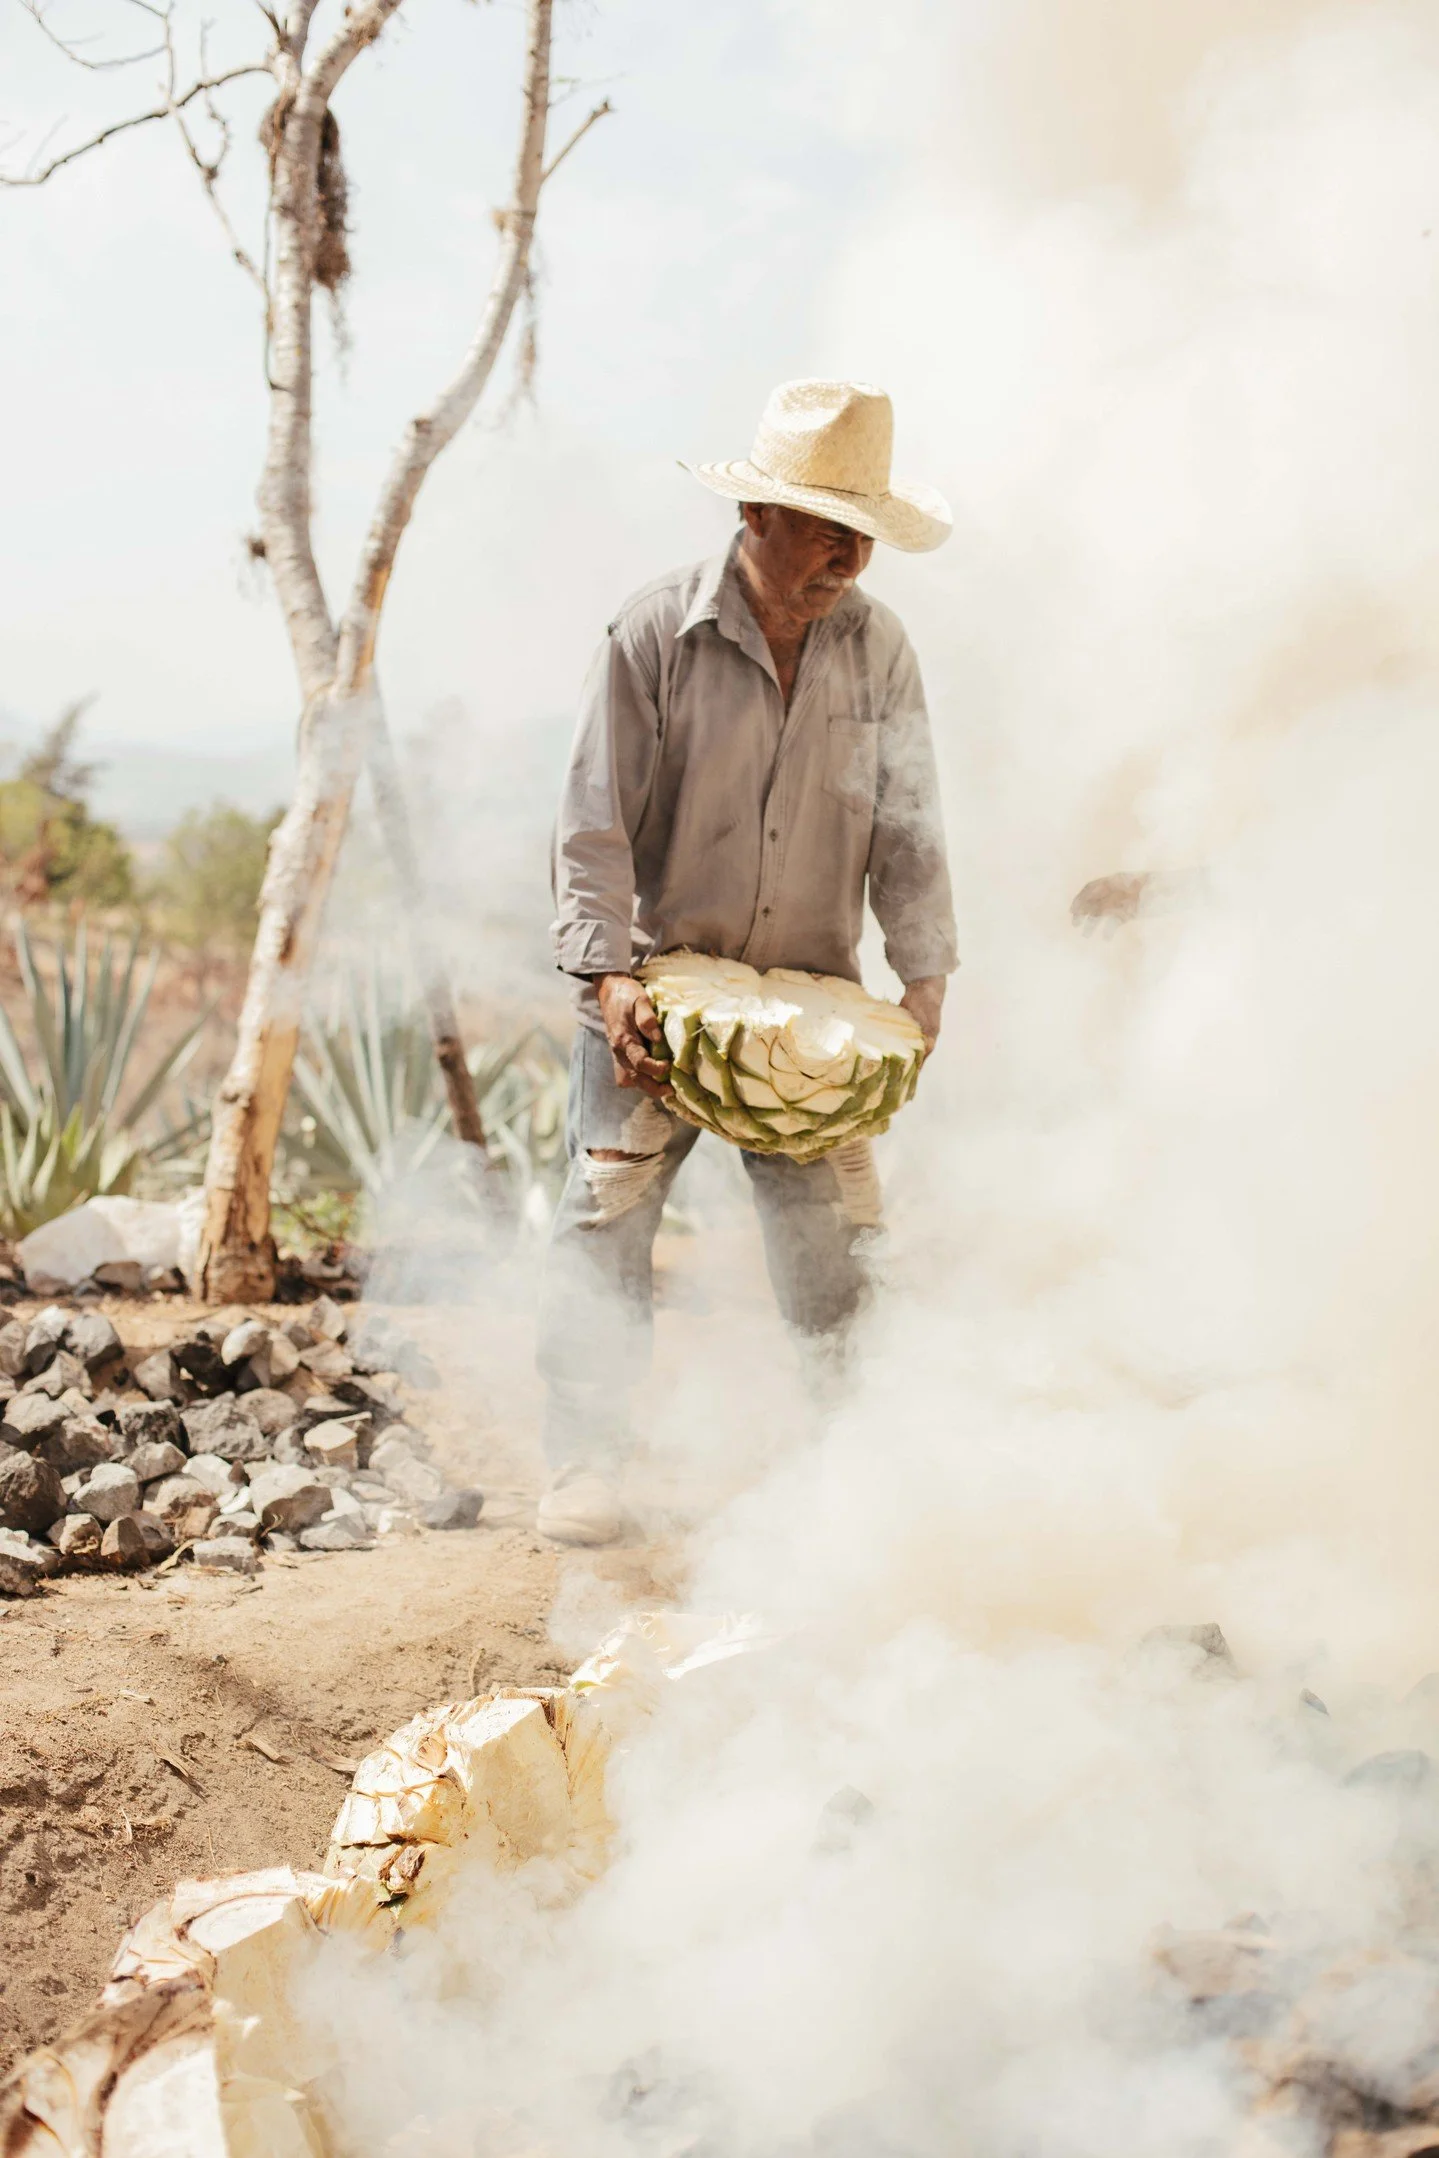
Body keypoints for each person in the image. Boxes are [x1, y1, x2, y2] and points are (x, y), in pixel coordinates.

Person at [536, 378, 959, 1545]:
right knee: (606, 1215)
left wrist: (922, 973)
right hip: (653, 996)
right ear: (756, 517)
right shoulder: (651, 633)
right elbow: (590, 826)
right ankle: (583, 1459)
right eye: (826, 524)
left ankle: (851, 1466)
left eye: (860, 530)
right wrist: (609, 977)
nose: (849, 554)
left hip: (817, 1002)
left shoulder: (880, 652)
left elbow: (909, 824)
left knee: (830, 1239)